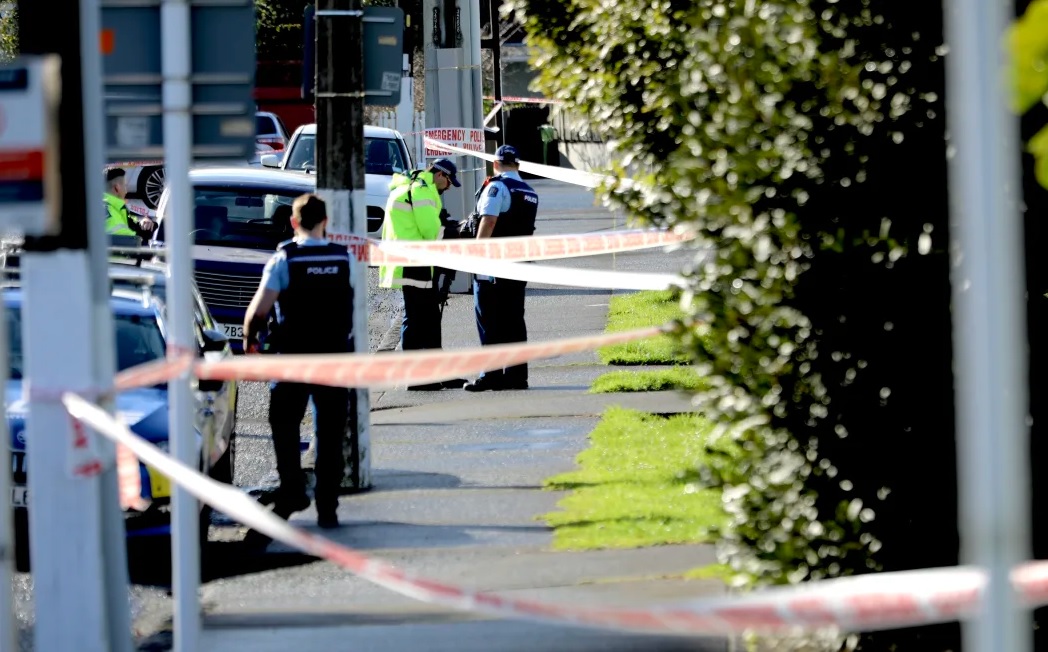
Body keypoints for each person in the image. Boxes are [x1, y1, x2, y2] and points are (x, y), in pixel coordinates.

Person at [242, 193, 352, 529]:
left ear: (293, 222)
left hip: (291, 358)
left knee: (284, 424)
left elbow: (258, 311)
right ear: (325, 222)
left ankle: (292, 488)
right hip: (333, 358)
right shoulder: (343, 256)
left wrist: (251, 345)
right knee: (330, 433)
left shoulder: (284, 260)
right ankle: (328, 507)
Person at [379, 158, 468, 391]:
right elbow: (432, 231)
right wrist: (459, 232)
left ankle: (436, 373)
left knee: (428, 319)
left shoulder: (415, 186)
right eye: (449, 182)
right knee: (418, 319)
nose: (448, 187)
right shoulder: (421, 190)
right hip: (413, 262)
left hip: (415, 261)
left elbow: (434, 222)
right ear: (440, 175)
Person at [463, 145, 539, 392]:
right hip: (520, 264)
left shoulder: (496, 187)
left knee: (490, 320)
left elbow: (489, 220)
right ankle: (517, 376)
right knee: (514, 319)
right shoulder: (529, 192)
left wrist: (476, 253)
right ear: (518, 165)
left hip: (493, 265)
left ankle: (491, 376)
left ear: (495, 164)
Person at [104, 168, 156, 243]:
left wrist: (143, 222)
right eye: (125, 186)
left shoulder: (116, 207)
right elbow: (129, 240)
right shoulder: (105, 210)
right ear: (117, 188)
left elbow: (132, 223)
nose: (126, 191)